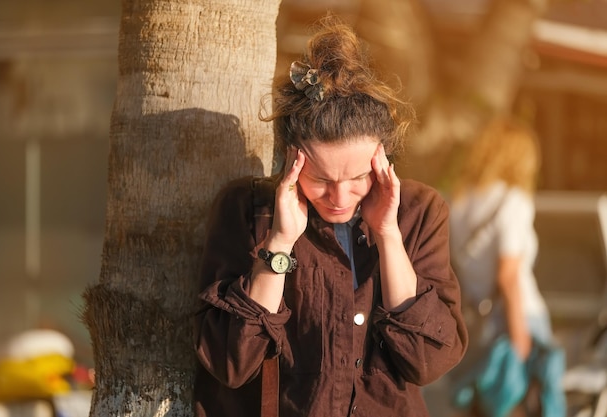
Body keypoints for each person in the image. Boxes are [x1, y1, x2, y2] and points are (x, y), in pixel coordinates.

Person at [194, 17, 467, 417]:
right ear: (291, 157)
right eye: (320, 179)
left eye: (358, 177)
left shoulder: (419, 212)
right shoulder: (248, 209)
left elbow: (429, 360)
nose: (339, 196)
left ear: (383, 159)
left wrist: (388, 234)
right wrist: (280, 244)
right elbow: (230, 364)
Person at [448, 118, 565, 416]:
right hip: (518, 319)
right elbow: (509, 276)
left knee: (484, 406)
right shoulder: (513, 201)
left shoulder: (458, 200)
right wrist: (521, 343)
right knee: (529, 405)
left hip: (478, 322)